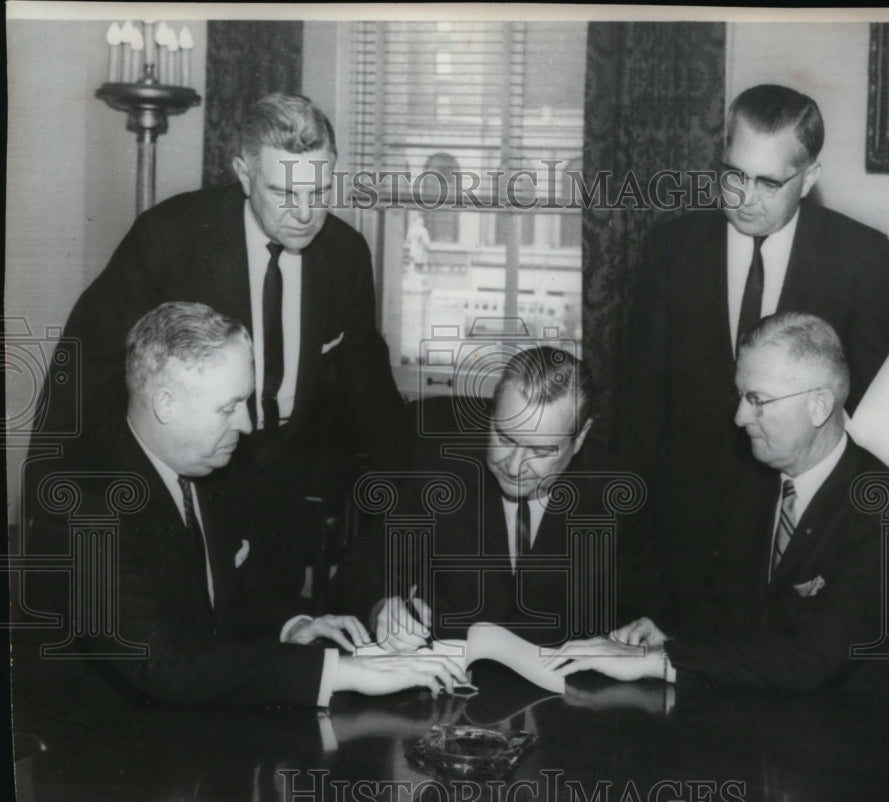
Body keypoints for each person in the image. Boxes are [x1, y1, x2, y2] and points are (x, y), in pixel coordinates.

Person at [12, 302, 467, 745]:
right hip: (93, 752)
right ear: (166, 404)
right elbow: (166, 663)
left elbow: (229, 588)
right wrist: (342, 671)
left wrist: (293, 625)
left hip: (184, 722)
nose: (248, 425)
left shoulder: (204, 461)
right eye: (229, 408)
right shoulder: (83, 500)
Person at [29, 92, 409, 595]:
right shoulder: (169, 237)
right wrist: (54, 501)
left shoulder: (346, 255)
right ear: (243, 174)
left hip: (287, 485)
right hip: (187, 480)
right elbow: (84, 369)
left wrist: (418, 489)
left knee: (271, 637)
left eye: (319, 191)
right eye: (282, 192)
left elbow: (369, 385)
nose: (304, 213)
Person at [621, 83, 889, 621]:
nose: (743, 197)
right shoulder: (671, 248)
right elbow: (638, 417)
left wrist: (856, 563)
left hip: (797, 553)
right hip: (682, 554)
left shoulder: (859, 257)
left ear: (810, 179)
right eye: (733, 173)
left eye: (769, 182)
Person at [549, 313, 889, 693]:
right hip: (757, 719)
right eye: (740, 396)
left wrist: (660, 661)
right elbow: (729, 617)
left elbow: (812, 658)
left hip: (850, 736)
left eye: (757, 400)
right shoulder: (752, 484)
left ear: (820, 405)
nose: (740, 416)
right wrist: (669, 636)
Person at [335, 346, 657, 649]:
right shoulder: (438, 469)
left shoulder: (618, 491)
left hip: (570, 692)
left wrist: (646, 631)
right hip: (449, 685)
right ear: (491, 415)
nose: (515, 466)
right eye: (504, 437)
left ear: (581, 437)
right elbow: (360, 569)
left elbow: (654, 605)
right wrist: (382, 607)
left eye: (541, 450)